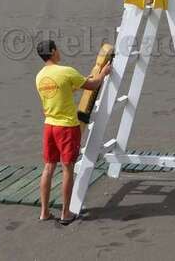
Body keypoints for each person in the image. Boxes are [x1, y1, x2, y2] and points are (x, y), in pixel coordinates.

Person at [34, 40, 111, 225]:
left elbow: (66, 88)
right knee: (67, 168)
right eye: (57, 49)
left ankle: (44, 212)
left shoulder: (40, 76)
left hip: (49, 125)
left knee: (48, 167)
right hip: (67, 127)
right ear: (53, 52)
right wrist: (103, 73)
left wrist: (81, 81)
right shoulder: (65, 71)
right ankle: (65, 213)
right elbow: (92, 86)